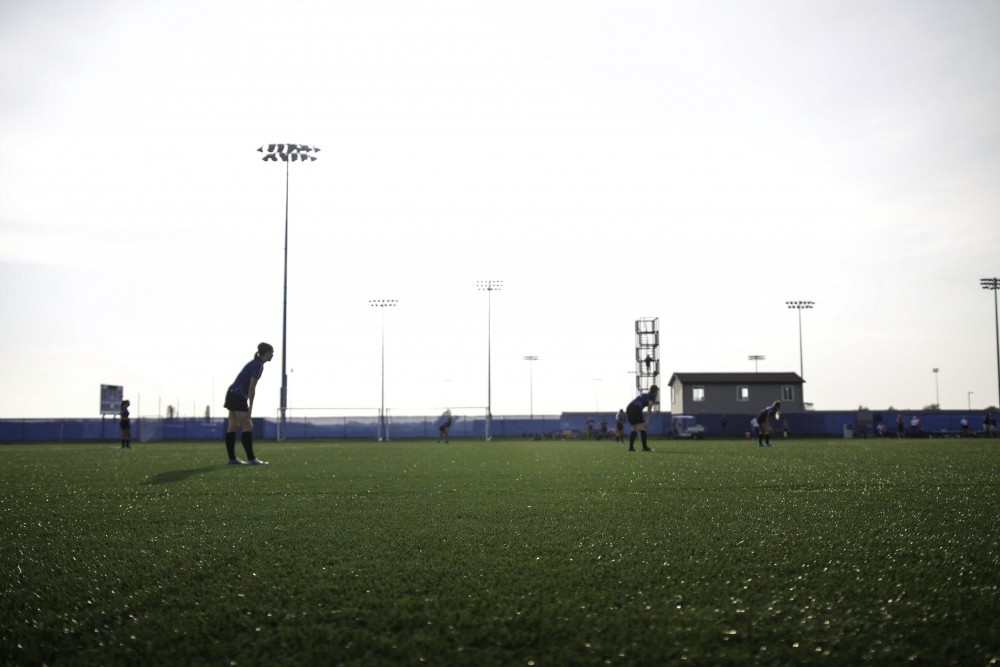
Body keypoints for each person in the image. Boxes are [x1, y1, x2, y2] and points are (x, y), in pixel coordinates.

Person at [223, 342, 273, 465]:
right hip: (239, 395)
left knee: (232, 426)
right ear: (266, 353)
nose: (272, 355)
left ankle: (232, 459)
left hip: (231, 393)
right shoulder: (258, 365)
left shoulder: (254, 363)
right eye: (272, 352)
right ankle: (251, 459)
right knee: (248, 426)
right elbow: (251, 388)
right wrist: (250, 407)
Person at [625, 384, 658, 452]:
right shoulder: (652, 395)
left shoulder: (644, 394)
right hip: (636, 408)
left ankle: (631, 448)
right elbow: (650, 406)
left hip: (629, 408)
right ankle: (645, 447)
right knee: (643, 428)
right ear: (655, 391)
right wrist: (647, 421)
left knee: (634, 428)